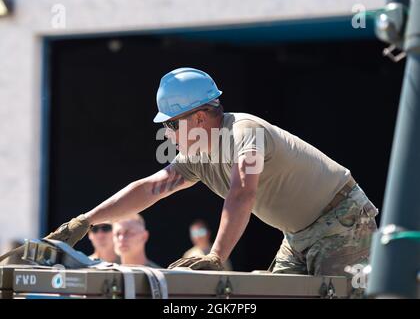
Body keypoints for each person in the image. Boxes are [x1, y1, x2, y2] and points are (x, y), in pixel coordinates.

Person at [45, 67, 378, 297]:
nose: (167, 133)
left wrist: (217, 255)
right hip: (299, 233)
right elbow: (149, 188)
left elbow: (242, 193)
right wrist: (85, 221)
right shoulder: (198, 154)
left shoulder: (246, 133)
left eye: (171, 125)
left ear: (199, 118)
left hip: (341, 221)